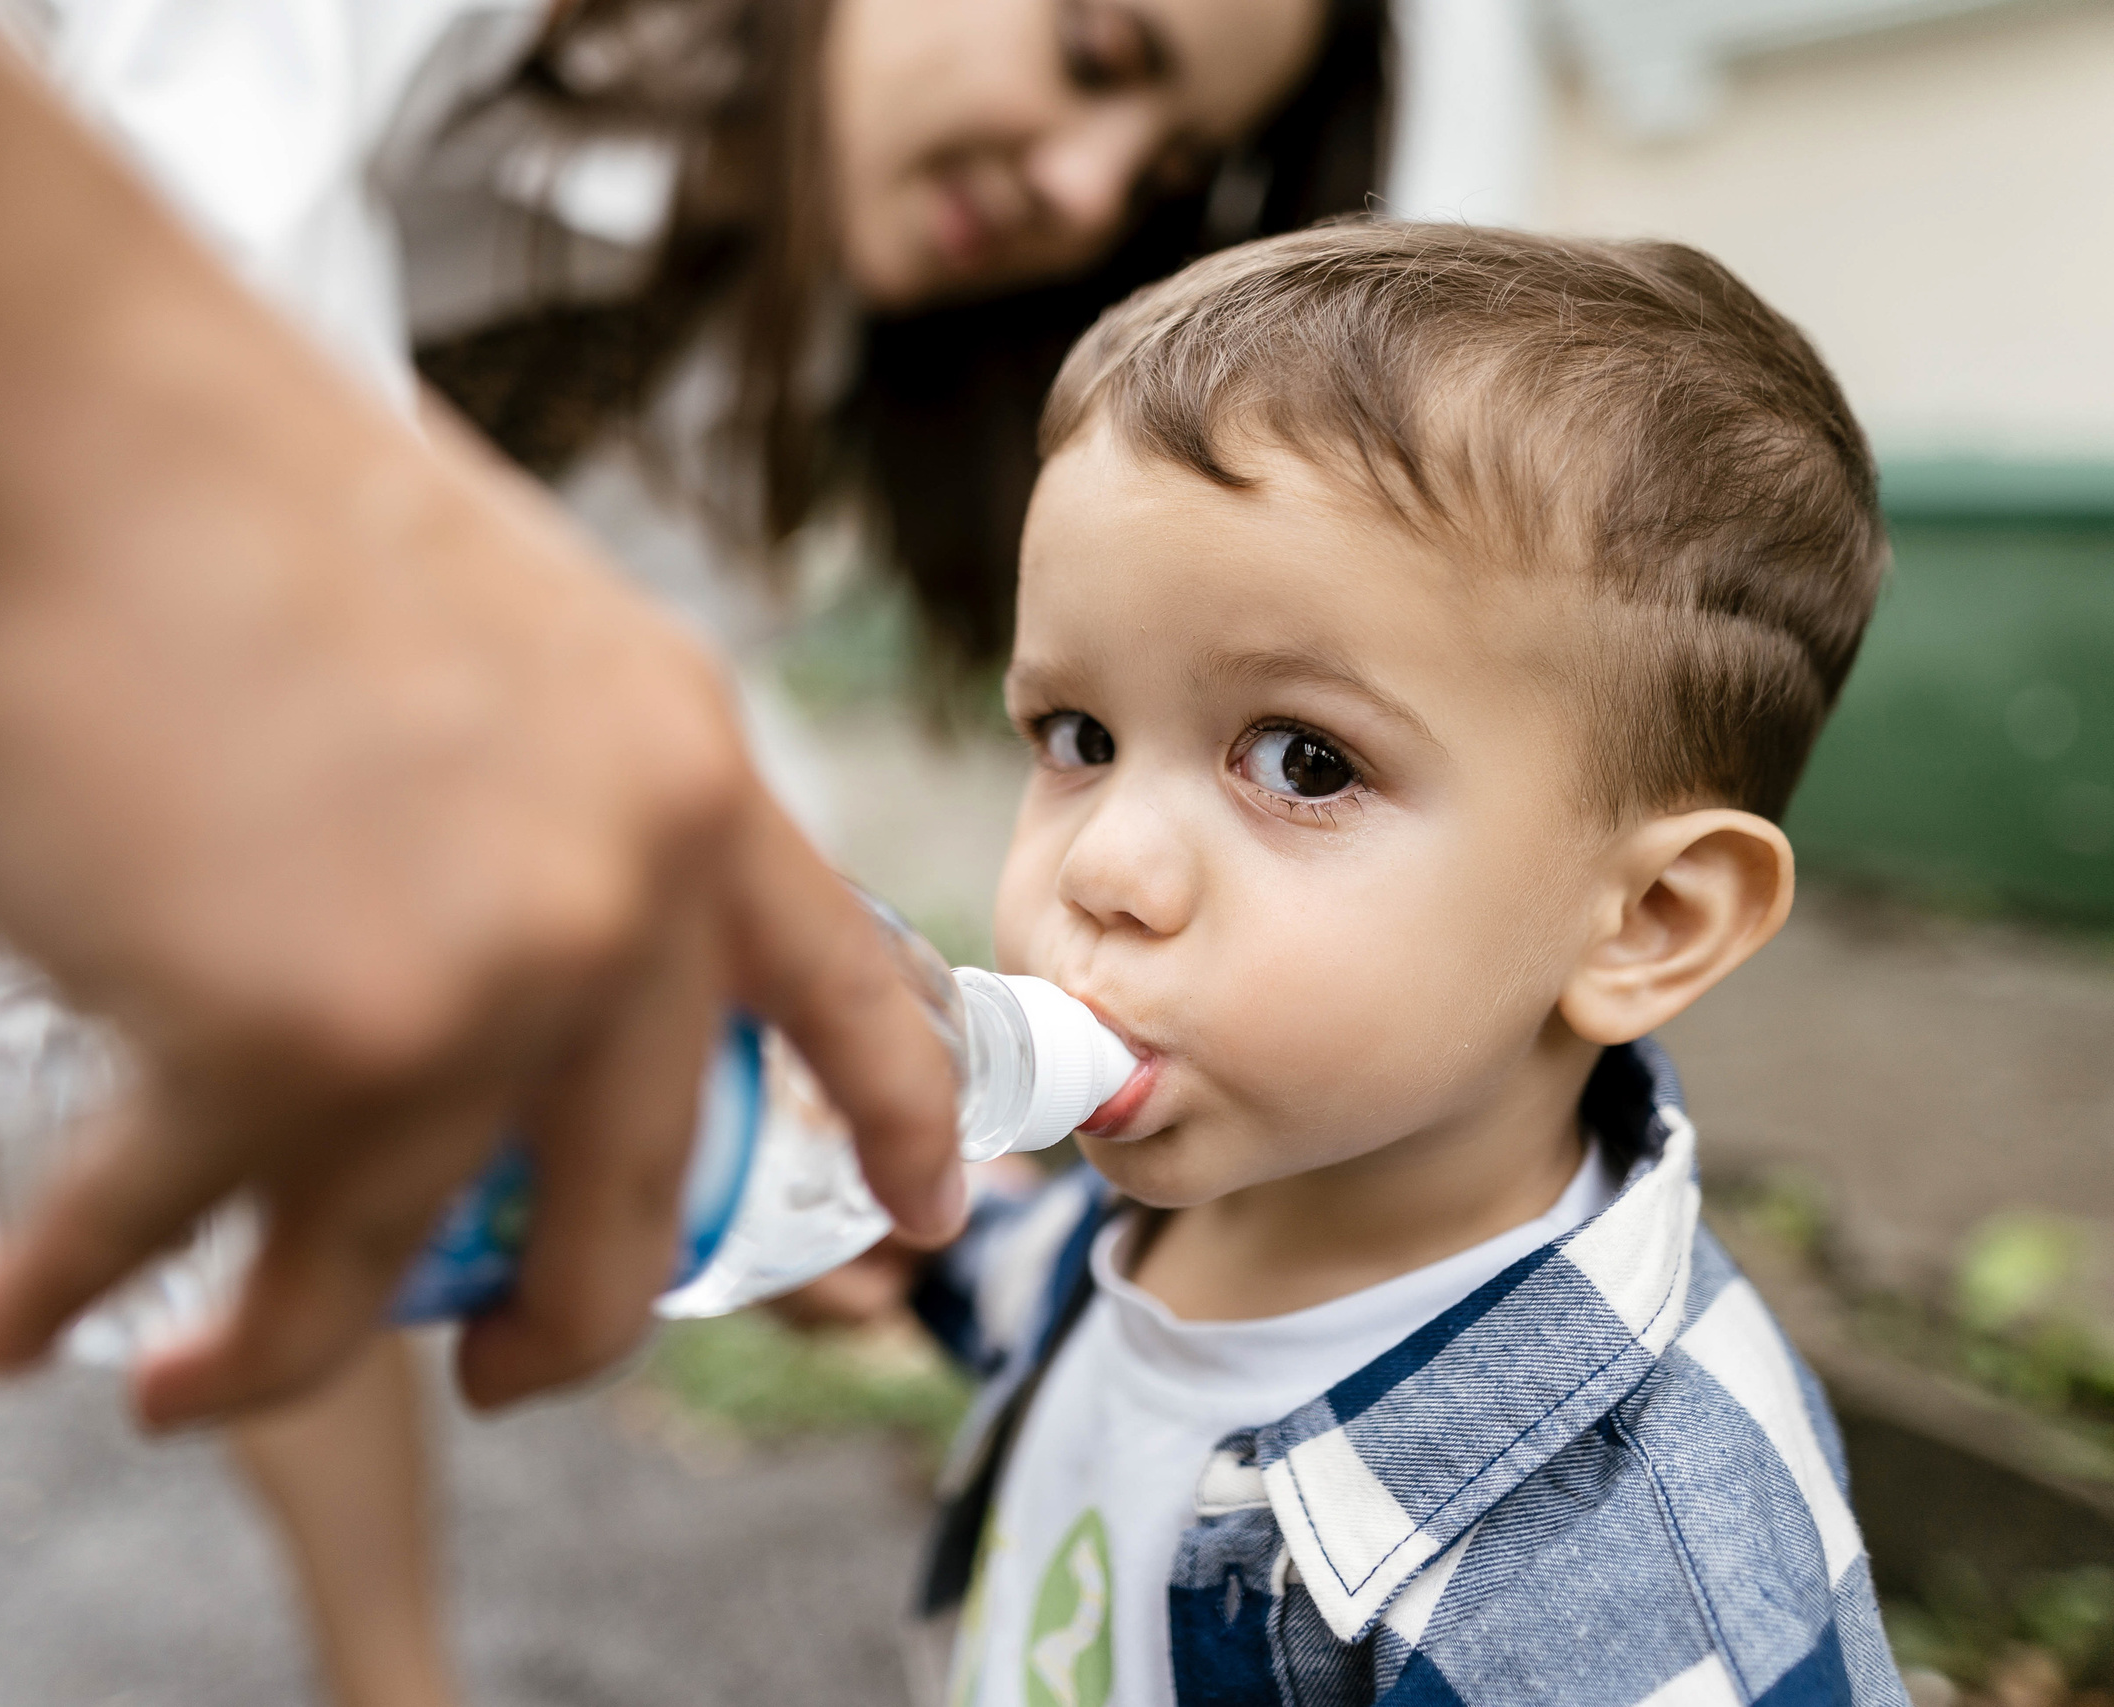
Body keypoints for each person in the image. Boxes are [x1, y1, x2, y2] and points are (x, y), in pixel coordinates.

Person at [0, 1, 1386, 1702]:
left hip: (103, 653)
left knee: (386, 1095)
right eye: (1093, 54)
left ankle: (395, 1680)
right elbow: (169, 174)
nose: (1083, 188)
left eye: (1153, 171)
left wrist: (803, 1006)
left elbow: (651, 676)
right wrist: (356, 563)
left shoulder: (761, 336)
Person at [803, 223, 1906, 1705]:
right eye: (1078, 737)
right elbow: (1087, 1312)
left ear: (1649, 921)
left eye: (1303, 761)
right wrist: (916, 1244)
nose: (1103, 867)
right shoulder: (1241, 1179)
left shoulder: (1622, 1585)